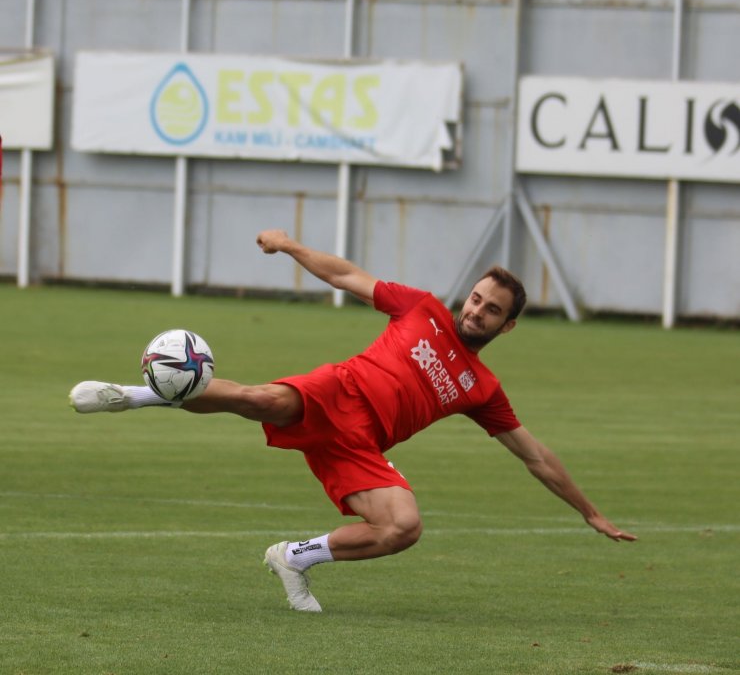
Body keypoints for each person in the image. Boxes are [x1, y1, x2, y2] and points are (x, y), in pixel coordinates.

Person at [69, 228, 637, 613]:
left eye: (491, 309)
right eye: (476, 298)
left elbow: (534, 454)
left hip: (362, 445)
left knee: (403, 527)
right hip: (337, 392)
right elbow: (346, 275)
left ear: (506, 326)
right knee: (256, 399)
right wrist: (290, 244)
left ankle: (293, 557)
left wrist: (591, 512)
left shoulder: (482, 388)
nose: (476, 310)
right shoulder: (423, 310)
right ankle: (142, 393)